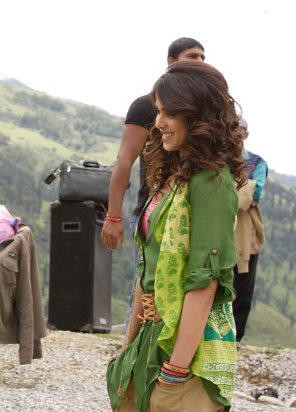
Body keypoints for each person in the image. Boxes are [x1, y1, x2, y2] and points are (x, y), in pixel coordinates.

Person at [106, 61, 247, 412]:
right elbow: (147, 268)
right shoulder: (174, 176)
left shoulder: (211, 183)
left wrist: (176, 370)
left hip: (185, 350)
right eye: (158, 112)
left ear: (198, 117)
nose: (158, 123)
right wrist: (129, 346)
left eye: (169, 114)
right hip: (152, 335)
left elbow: (205, 282)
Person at [100, 37, 205, 327]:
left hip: (195, 211)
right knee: (147, 287)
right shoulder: (146, 106)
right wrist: (113, 215)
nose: (199, 62)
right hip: (153, 211)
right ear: (171, 62)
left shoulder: (204, 106)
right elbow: (124, 160)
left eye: (202, 57)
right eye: (192, 56)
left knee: (191, 285)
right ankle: (132, 350)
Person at [232, 119, 268, 344]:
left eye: (241, 130)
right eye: (232, 128)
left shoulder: (257, 162)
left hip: (247, 232)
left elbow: (257, 191)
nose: (236, 133)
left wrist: (233, 191)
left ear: (246, 134)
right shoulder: (218, 159)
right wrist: (245, 186)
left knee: (243, 285)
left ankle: (235, 337)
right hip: (221, 228)